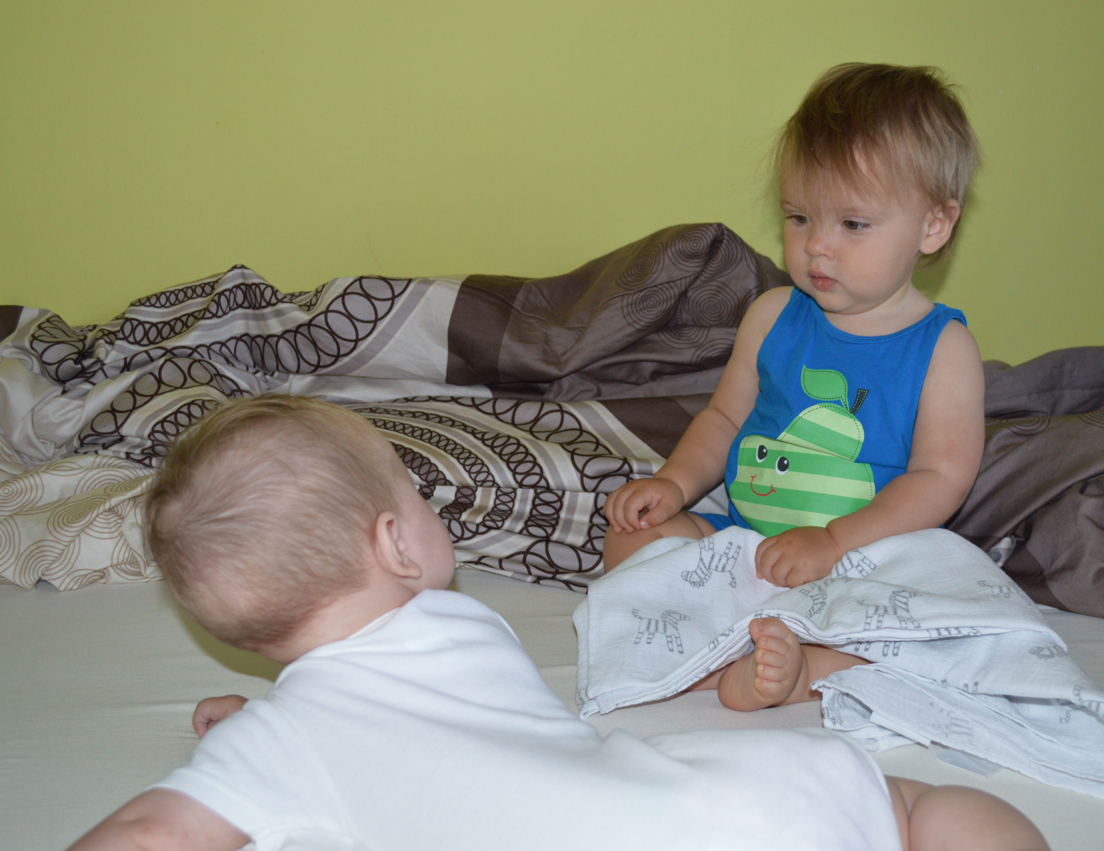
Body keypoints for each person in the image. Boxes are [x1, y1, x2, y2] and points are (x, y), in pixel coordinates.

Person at [68, 396, 1046, 851]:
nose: (430, 507)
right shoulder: (462, 626)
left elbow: (155, 830)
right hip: (719, 823)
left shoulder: (284, 744)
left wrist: (251, 739)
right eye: (411, 491)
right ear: (396, 546)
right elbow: (413, 733)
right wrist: (263, 733)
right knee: (913, 810)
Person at [603, 62, 987, 713]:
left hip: (859, 564)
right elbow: (725, 420)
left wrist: (834, 542)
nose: (817, 248)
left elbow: (941, 477)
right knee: (631, 539)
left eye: (853, 225)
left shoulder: (943, 348)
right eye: (800, 217)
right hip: (749, 551)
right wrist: (673, 484)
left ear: (933, 226)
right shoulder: (773, 315)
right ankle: (718, 658)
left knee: (932, 629)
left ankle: (801, 667)